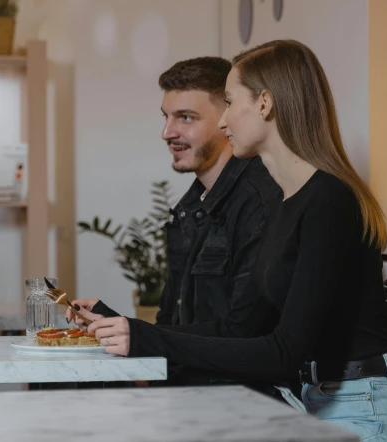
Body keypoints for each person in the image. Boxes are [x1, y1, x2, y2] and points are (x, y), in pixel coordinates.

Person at [77, 40, 387, 441]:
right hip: (315, 403)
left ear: (264, 104)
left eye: (229, 102)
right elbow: (239, 329)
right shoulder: (285, 205)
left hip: (369, 408)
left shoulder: (329, 199)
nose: (223, 121)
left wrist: (144, 339)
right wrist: (122, 326)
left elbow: (283, 353)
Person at [72, 57, 281, 387]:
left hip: (241, 399)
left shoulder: (261, 200)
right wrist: (115, 323)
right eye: (166, 117)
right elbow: (174, 324)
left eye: (186, 118)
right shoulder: (188, 211)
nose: (167, 133)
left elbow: (246, 332)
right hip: (190, 392)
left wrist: (139, 335)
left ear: (226, 118)